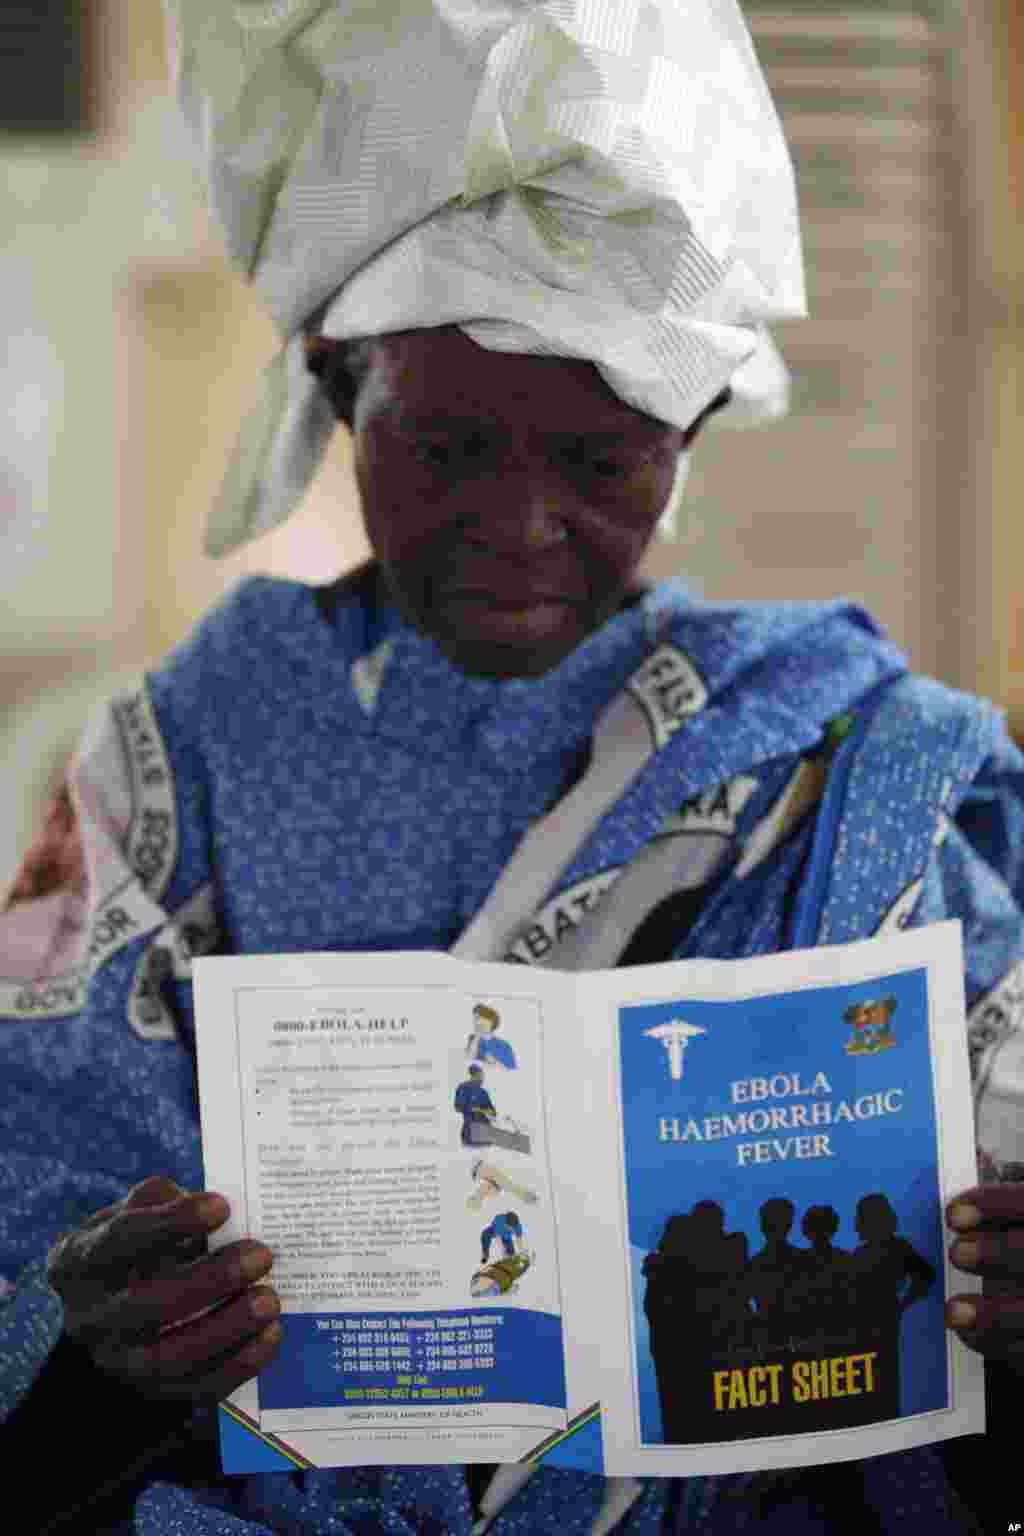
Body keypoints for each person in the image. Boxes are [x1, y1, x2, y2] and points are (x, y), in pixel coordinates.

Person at [2, 1, 1023, 1533]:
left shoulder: (841, 760)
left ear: (685, 441)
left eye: (602, 463)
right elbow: (41, 1267)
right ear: (344, 397)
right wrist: (98, 1357)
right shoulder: (183, 754)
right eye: (449, 449)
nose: (525, 526)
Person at [455, 1063, 497, 1146]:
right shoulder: (463, 1087)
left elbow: (493, 1112)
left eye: (483, 1075)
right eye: (481, 1075)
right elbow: (458, 1108)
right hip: (470, 1133)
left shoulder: (483, 1092)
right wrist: (474, 1110)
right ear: (475, 1075)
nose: (483, 1078)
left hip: (486, 1133)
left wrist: (486, 1111)